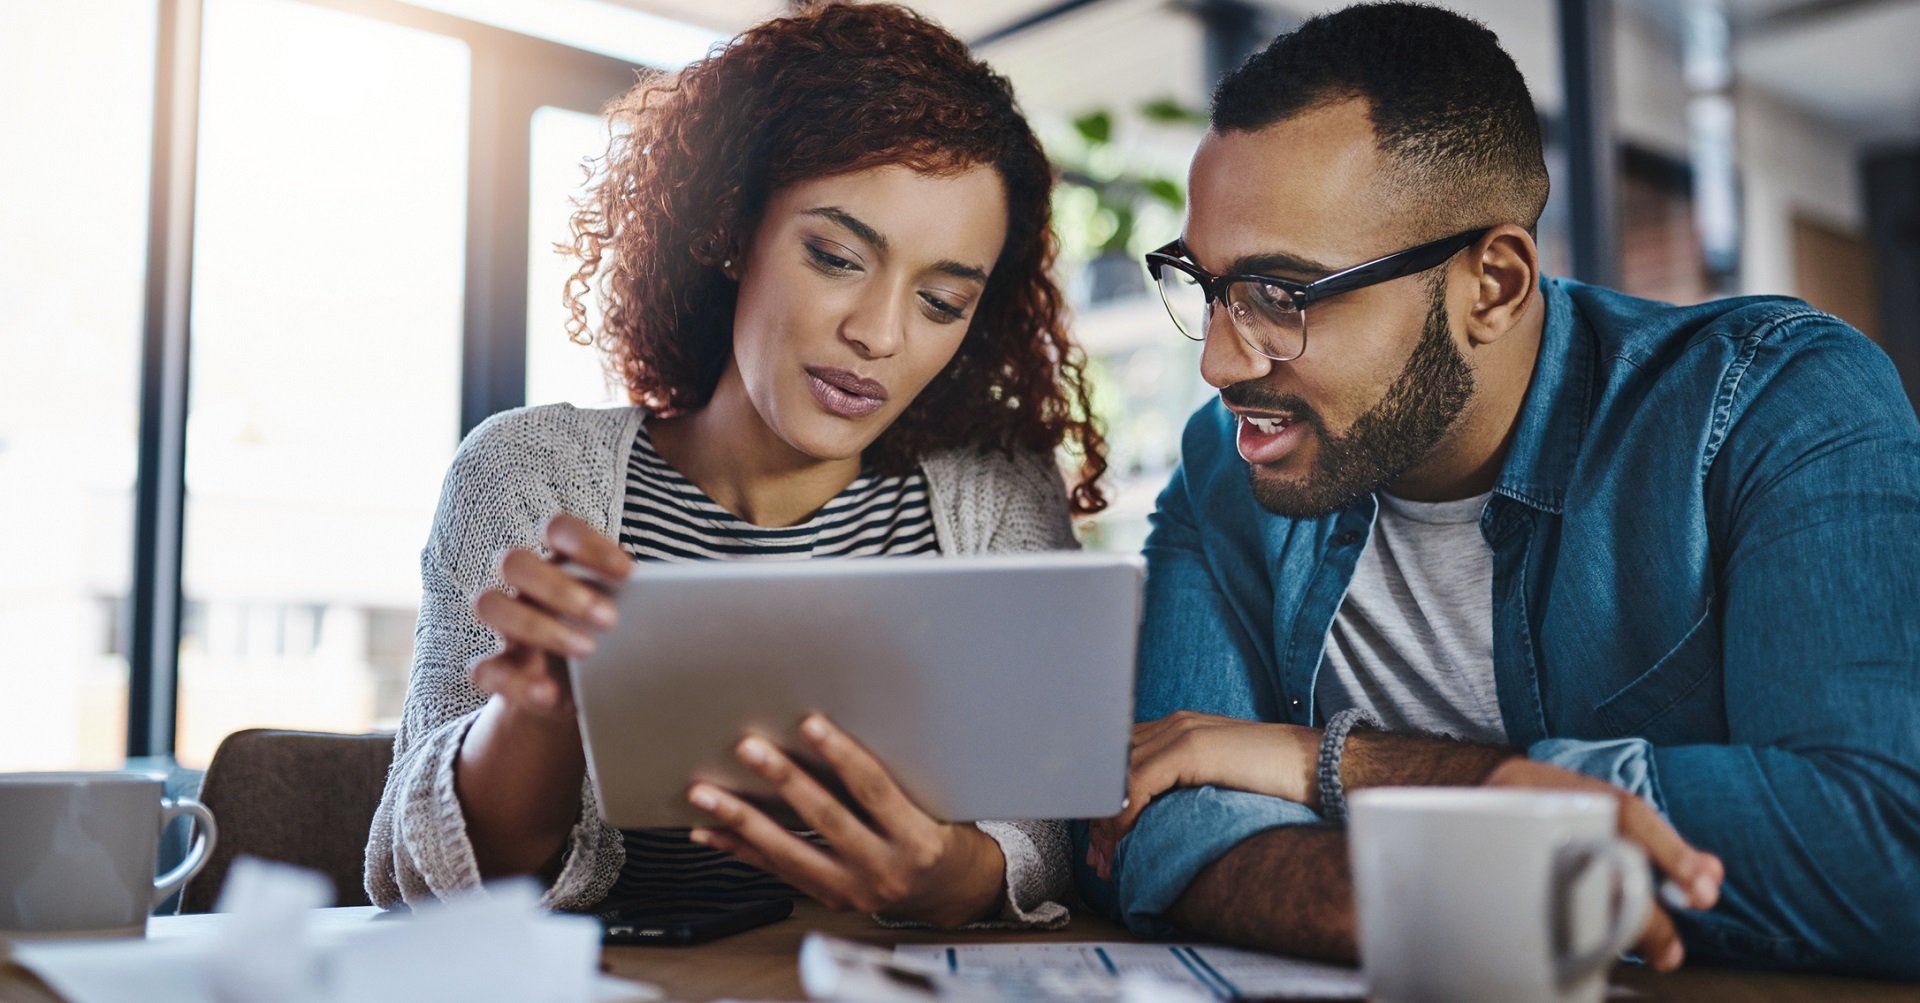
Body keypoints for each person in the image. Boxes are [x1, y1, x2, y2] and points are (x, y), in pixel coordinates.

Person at [1079, 1, 1920, 979]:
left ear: (1494, 284)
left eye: (1282, 294)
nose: (1221, 362)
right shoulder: (1230, 464)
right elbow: (1163, 822)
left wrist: (1341, 765)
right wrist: (1494, 872)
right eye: (1208, 283)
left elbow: (1882, 846)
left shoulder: (1773, 402)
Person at [365, 1, 1108, 930]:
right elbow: (415, 871)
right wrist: (539, 720)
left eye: (943, 300)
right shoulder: (530, 473)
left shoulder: (996, 497)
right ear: (728, 226)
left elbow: (1044, 838)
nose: (877, 334)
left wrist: (953, 875)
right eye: (836, 256)